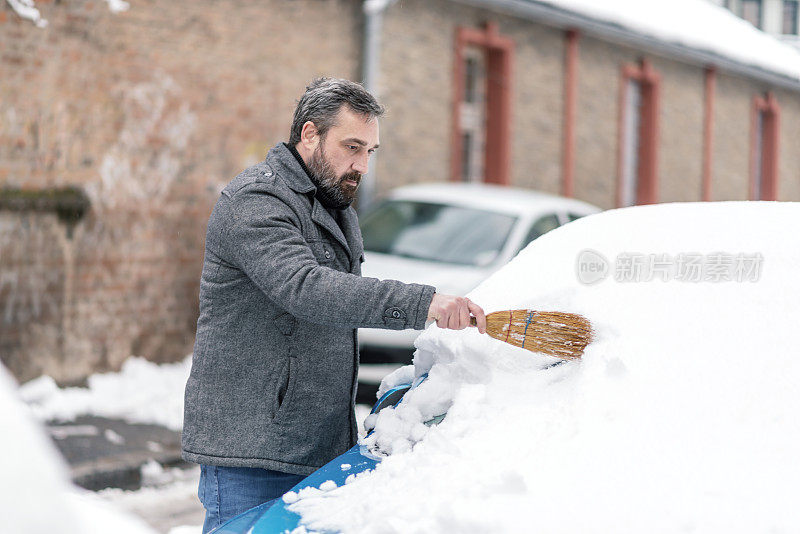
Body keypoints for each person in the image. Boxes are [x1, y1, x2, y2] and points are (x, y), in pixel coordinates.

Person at [181, 77, 486, 532]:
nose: (362, 164)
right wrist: (424, 303)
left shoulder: (333, 204)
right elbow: (305, 287)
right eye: (352, 147)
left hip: (317, 445)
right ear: (309, 135)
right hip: (254, 448)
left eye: (370, 151)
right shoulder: (256, 200)